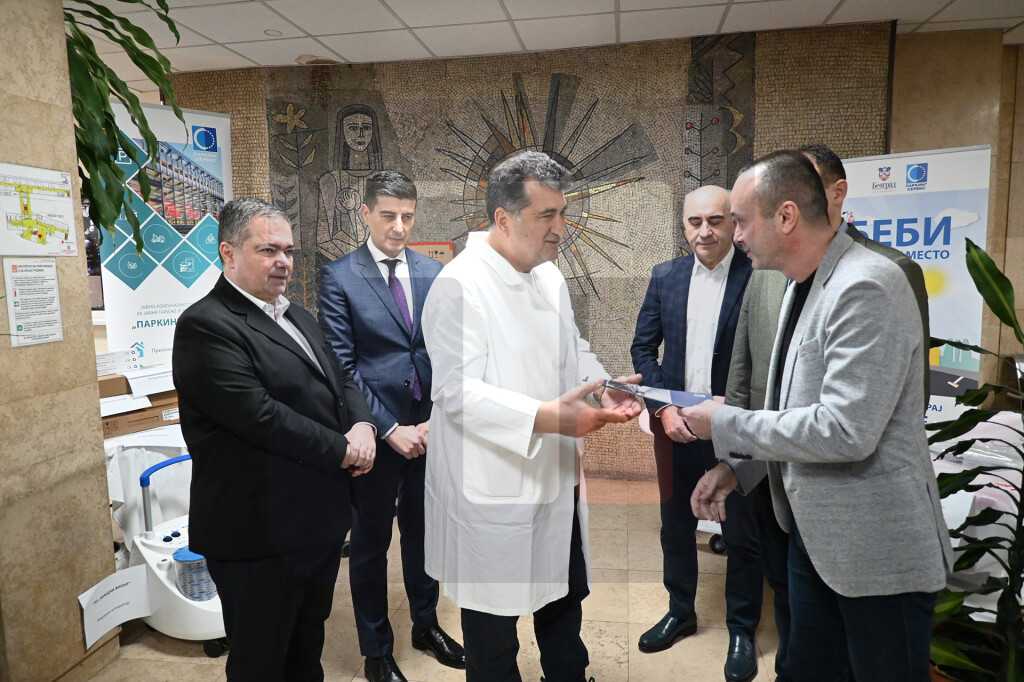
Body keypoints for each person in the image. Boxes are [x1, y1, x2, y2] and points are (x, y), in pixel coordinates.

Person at [684, 151, 952, 681]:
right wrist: (738, 467)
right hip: (810, 536)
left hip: (873, 552)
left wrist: (723, 422)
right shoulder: (797, 284)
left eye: (741, 220)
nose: (736, 235)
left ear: (786, 217)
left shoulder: (867, 284)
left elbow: (846, 430)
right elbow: (790, 410)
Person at [421, 150, 642, 682]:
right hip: (492, 486)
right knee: (493, 635)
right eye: (547, 215)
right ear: (504, 218)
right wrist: (548, 416)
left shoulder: (549, 277)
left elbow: (572, 346)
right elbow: (455, 392)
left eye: (561, 213)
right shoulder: (460, 284)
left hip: (554, 477)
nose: (561, 228)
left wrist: (602, 385)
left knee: (564, 608)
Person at [172, 198, 377, 680]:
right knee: (261, 661)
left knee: (306, 650)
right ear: (228, 252)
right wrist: (343, 450)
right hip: (258, 532)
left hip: (314, 524)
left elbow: (342, 378)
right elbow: (260, 416)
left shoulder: (296, 314)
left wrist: (364, 425)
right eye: (268, 250)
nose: (283, 261)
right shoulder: (206, 324)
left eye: (288, 250)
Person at [318, 170, 464, 682]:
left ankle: (426, 625)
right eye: (388, 216)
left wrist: (434, 421)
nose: (399, 227)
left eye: (407, 216)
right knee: (371, 544)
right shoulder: (339, 276)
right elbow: (342, 366)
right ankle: (376, 650)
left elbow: (449, 350)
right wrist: (387, 428)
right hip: (374, 436)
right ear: (365, 214)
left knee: (425, 537)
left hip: (429, 432)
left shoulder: (433, 272)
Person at [629, 185, 757, 676]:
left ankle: (742, 629)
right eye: (695, 222)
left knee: (742, 533)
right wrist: (663, 409)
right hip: (676, 428)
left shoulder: (758, 277)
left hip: (734, 428)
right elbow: (644, 349)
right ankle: (680, 611)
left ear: (733, 223)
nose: (705, 231)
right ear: (683, 226)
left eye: (715, 220)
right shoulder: (666, 275)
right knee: (676, 526)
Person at [318, 103, 384, 260]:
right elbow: (324, 238)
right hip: (341, 260)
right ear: (342, 131)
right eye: (353, 128)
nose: (360, 134)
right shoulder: (330, 180)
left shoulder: (384, 180)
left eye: (366, 128)